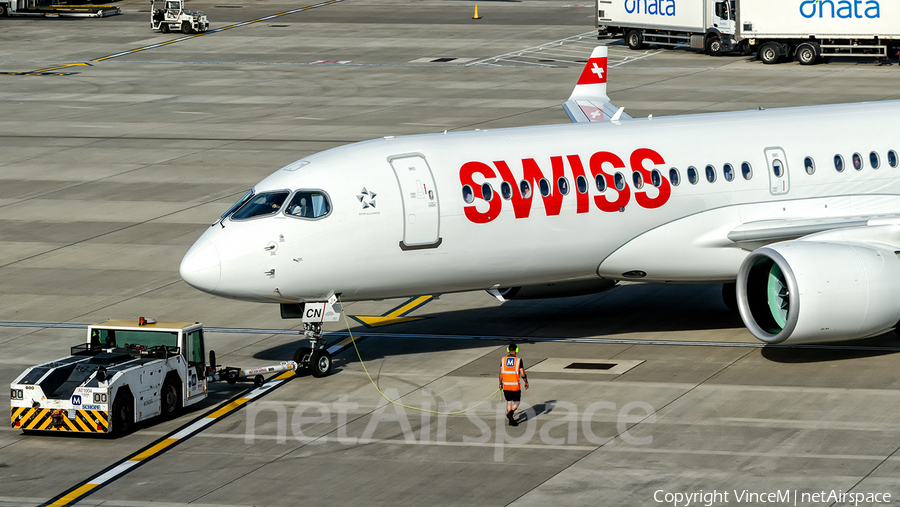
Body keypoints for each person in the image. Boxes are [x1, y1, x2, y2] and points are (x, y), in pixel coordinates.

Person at [499, 343, 528, 426]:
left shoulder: (503, 359)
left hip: (506, 385)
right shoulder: (518, 360)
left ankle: (510, 420)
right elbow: (522, 374)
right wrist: (526, 382)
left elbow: (501, 373)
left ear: (508, 350)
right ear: (517, 350)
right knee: (517, 402)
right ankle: (511, 413)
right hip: (515, 386)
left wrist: (500, 383)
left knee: (509, 402)